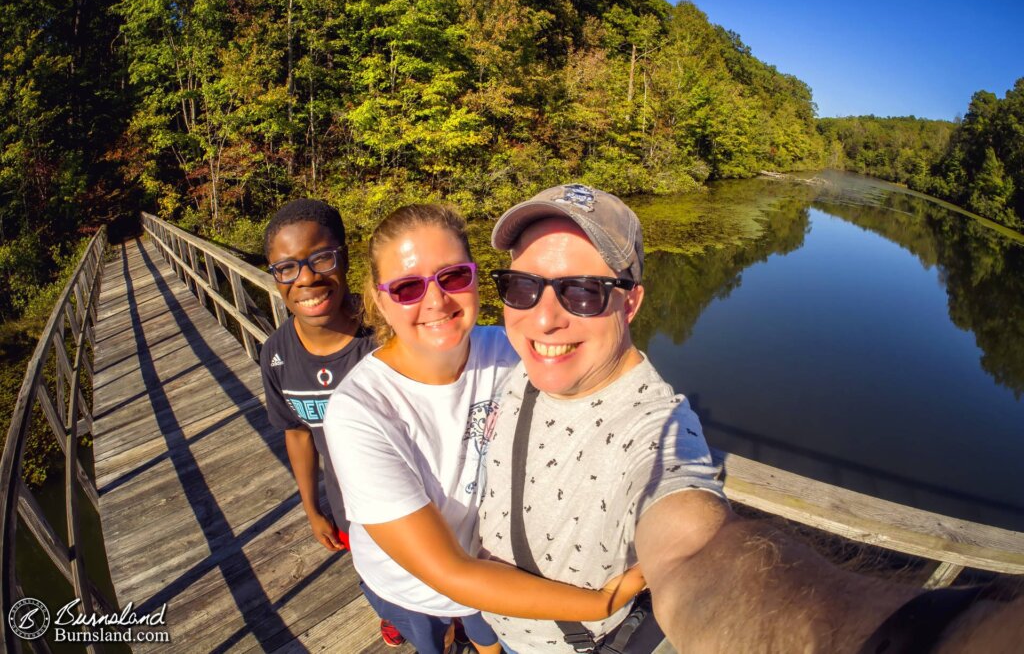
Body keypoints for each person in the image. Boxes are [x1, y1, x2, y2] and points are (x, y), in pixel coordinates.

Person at [479, 184, 1023, 653]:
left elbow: (695, 549)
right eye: (521, 286)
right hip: (491, 621)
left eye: (582, 291)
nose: (543, 318)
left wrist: (926, 636)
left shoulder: (654, 429)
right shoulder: (501, 356)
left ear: (632, 302)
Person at [322, 204, 646, 654]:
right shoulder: (361, 412)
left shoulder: (512, 351)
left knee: (487, 640)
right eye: (407, 287)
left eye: (453, 277)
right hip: (414, 588)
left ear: (475, 277)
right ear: (379, 300)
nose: (435, 301)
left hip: (495, 571)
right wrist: (601, 604)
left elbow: (603, 391)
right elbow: (449, 572)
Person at [258, 199, 404, 647]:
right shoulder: (276, 356)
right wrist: (311, 508)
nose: (306, 278)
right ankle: (392, 612)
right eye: (287, 268)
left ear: (343, 257)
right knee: (377, 578)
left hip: (419, 492)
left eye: (321, 258)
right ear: (275, 276)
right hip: (349, 506)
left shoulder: (388, 328)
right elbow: (299, 434)